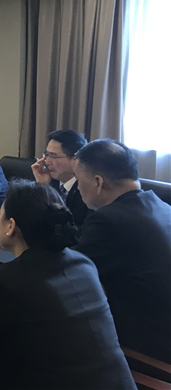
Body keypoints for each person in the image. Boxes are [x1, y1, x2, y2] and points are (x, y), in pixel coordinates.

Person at [0, 180, 135, 390]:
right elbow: (40, 298)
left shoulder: (11, 282)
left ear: (11, 226)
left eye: (0, 215)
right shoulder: (83, 263)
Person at [73, 139, 171, 363]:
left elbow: (67, 271)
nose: (77, 188)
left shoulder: (110, 220)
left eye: (78, 180)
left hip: (148, 352)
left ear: (98, 182)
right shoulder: (163, 207)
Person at [31, 129, 91, 229]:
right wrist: (43, 186)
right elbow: (33, 220)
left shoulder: (87, 189)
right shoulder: (50, 182)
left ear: (75, 159)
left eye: (53, 156)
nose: (47, 162)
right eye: (47, 155)